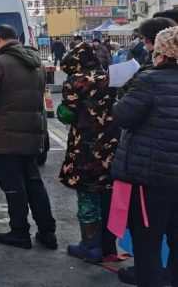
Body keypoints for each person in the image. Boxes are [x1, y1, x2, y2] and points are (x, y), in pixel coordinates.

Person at [0, 24, 57, 250]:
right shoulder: (35, 62)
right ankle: (47, 232)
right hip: (31, 133)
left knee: (13, 186)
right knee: (33, 181)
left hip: (5, 135)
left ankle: (20, 232)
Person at [112, 26, 178, 287]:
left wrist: (118, 101)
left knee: (148, 242)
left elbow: (123, 116)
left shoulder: (150, 80)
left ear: (161, 53)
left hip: (153, 175)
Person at [58, 43, 120, 263]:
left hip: (85, 145)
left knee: (87, 193)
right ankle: (109, 246)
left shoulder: (75, 81)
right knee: (107, 192)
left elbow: (67, 114)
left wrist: (61, 110)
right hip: (112, 144)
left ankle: (90, 246)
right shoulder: (113, 77)